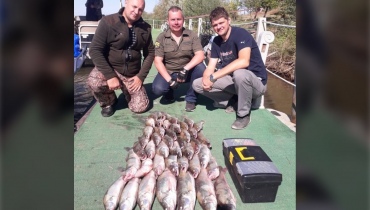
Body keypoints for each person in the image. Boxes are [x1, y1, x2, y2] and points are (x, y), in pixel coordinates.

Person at [192, 7, 267, 129]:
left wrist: (214, 76)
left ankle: (243, 115)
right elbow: (210, 66)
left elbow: (244, 61)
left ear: (229, 20)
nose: (218, 27)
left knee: (240, 74)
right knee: (197, 84)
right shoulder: (216, 41)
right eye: (215, 25)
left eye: (221, 23)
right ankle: (232, 100)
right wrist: (207, 79)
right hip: (234, 82)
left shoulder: (240, 34)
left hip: (256, 84)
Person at [87, 0, 154, 117]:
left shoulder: (146, 28)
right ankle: (109, 101)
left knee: (140, 107)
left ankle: (127, 93)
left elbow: (150, 53)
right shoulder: (108, 22)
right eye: (134, 7)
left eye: (140, 10)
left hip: (132, 74)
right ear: (126, 2)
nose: (136, 12)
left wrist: (140, 77)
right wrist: (110, 76)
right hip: (112, 68)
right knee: (94, 81)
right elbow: (95, 50)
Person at [152, 6, 206, 112]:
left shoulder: (191, 35)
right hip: (170, 72)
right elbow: (158, 61)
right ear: (168, 21)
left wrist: (185, 69)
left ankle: (191, 99)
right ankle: (169, 92)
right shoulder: (161, 38)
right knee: (157, 89)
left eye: (178, 19)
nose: (176, 22)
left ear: (183, 20)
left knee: (201, 69)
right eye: (173, 19)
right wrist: (169, 80)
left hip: (188, 71)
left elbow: (200, 55)